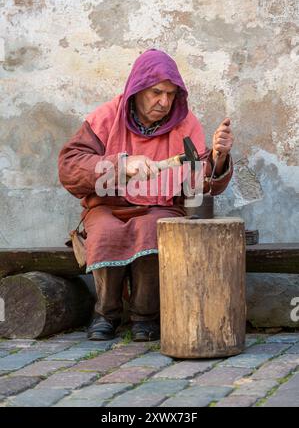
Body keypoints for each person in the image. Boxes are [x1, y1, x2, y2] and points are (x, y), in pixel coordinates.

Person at [58, 49, 234, 342]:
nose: (164, 102)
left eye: (170, 94)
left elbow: (201, 180)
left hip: (160, 206)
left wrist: (218, 156)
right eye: (156, 92)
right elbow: (69, 165)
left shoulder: (185, 124)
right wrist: (122, 165)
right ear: (138, 89)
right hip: (108, 205)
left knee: (154, 230)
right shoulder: (106, 117)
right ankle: (105, 314)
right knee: (106, 231)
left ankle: (145, 316)